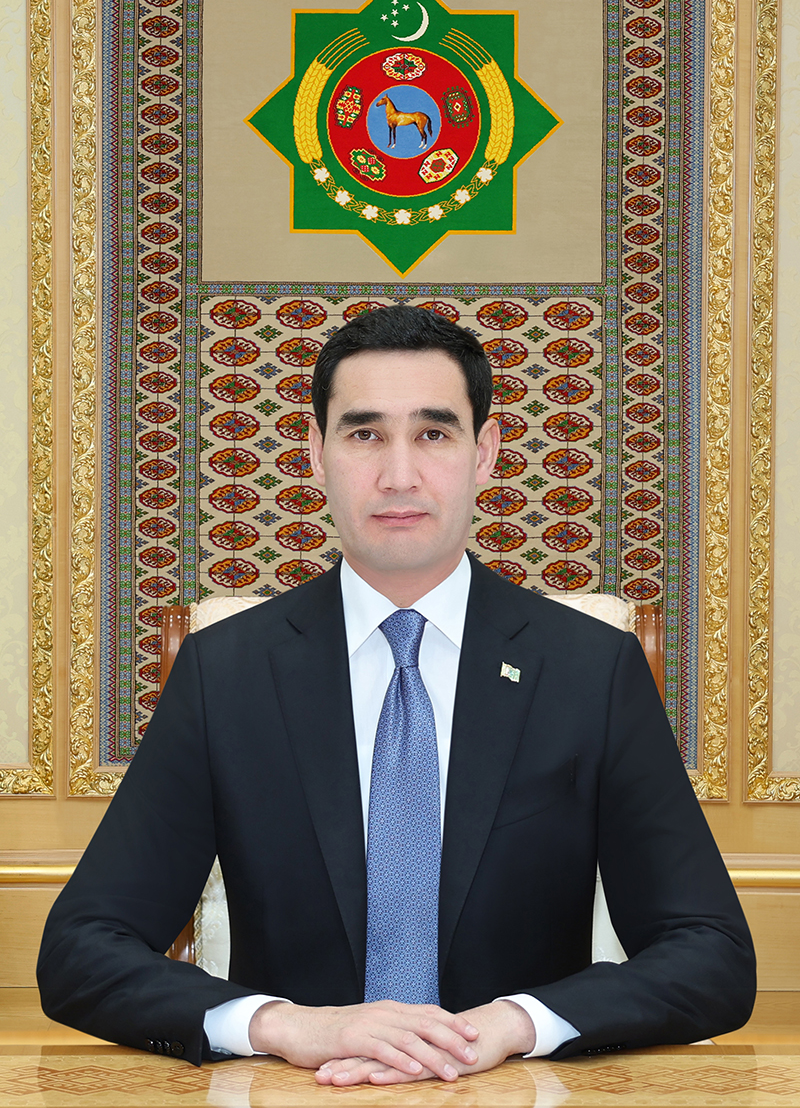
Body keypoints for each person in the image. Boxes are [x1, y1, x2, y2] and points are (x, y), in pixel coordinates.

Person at [38, 305, 756, 1085]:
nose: (400, 475)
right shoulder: (227, 672)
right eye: (365, 434)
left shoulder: (590, 669)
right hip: (297, 1093)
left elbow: (712, 953)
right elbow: (81, 950)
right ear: (316, 455)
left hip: (511, 1090)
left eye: (434, 433)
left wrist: (514, 1023)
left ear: (485, 453)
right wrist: (282, 1023)